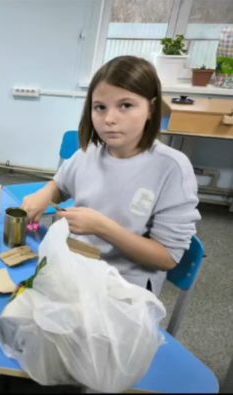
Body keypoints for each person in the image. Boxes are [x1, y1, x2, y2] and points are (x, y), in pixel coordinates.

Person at [22, 55, 201, 296]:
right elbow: (60, 184)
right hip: (76, 266)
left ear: (151, 108)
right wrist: (45, 193)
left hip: (125, 287)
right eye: (100, 107)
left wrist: (102, 227)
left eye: (126, 105)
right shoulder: (89, 152)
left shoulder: (172, 168)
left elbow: (167, 258)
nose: (109, 119)